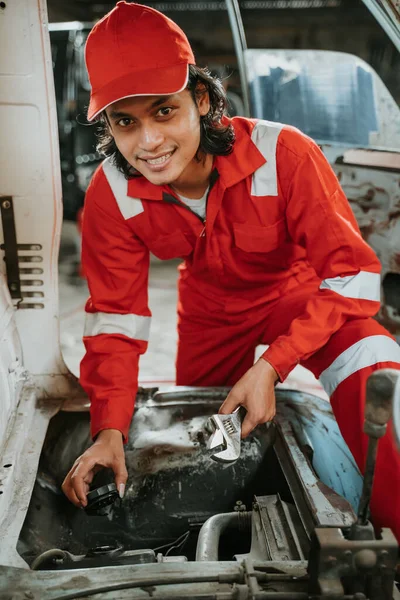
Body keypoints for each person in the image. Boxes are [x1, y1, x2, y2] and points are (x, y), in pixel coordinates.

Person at [61, 1, 400, 541]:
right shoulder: (111, 193)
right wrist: (108, 429)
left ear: (201, 99)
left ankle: (395, 527)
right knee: (207, 435)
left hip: (292, 296)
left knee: (371, 351)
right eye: (125, 121)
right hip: (208, 314)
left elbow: (353, 274)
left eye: (164, 112)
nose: (147, 143)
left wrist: (273, 365)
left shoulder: (284, 153)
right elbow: (116, 319)